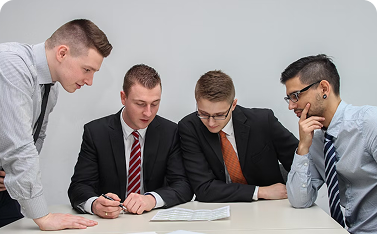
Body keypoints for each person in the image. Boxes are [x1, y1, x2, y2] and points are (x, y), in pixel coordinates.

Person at [0, 19, 112, 230]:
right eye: (87, 69)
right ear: (62, 53)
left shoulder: (51, 89)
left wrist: (11, 173)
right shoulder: (11, 64)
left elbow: (35, 140)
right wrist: (44, 217)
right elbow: (19, 148)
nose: (89, 81)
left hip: (6, 193)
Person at [68, 64, 193, 219]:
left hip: (151, 220)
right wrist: (95, 204)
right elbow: (79, 187)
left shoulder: (170, 132)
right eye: (140, 104)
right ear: (123, 98)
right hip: (110, 223)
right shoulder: (96, 133)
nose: (148, 112)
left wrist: (151, 199)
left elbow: (183, 186)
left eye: (155, 104)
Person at [281, 54, 377, 234]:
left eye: (295, 96)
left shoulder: (369, 123)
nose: (291, 106)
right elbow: (300, 201)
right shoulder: (317, 141)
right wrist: (302, 147)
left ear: (323, 88)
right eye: (289, 99)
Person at [178, 70, 298, 202]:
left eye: (219, 115)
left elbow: (300, 164)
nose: (211, 122)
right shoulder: (189, 128)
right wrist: (260, 191)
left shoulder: (263, 121)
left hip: (270, 207)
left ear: (233, 105)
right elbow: (204, 188)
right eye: (203, 113)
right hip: (219, 208)